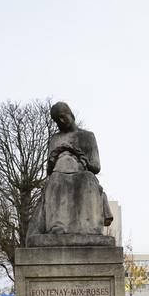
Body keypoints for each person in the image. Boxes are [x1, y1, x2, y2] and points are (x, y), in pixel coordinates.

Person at [26, 102, 113, 242]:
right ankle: (57, 227)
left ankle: (89, 227)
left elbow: (96, 167)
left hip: (83, 173)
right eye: (56, 120)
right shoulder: (55, 139)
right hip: (59, 173)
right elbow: (49, 171)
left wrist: (82, 159)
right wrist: (54, 158)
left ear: (71, 114)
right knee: (54, 181)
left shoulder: (88, 136)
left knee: (89, 179)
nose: (60, 122)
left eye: (62, 117)